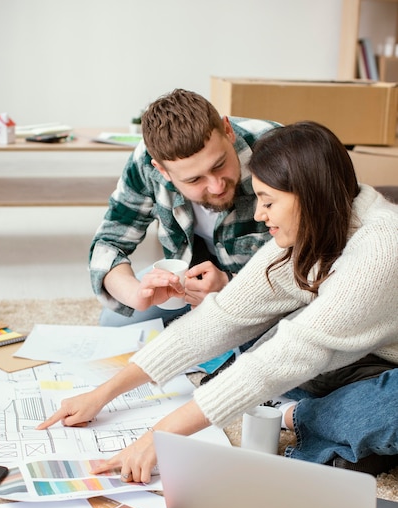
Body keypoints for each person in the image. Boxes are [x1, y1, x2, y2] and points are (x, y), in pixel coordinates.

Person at [39, 121, 398, 482]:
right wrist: (103, 394)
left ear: (311, 195)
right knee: (254, 335)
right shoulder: (313, 225)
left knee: (384, 410)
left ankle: (301, 419)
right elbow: (225, 316)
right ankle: (340, 437)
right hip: (343, 357)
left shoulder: (379, 247)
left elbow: (287, 356)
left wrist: (157, 437)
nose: (259, 214)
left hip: (384, 367)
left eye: (269, 201)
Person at [89, 88, 281, 327]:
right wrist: (137, 295)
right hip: (188, 275)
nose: (216, 186)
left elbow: (316, 261)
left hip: (263, 286)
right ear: (161, 170)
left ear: (228, 130)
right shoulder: (145, 163)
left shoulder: (279, 150)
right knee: (114, 322)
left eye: (219, 164)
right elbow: (108, 244)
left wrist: (230, 285)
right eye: (194, 180)